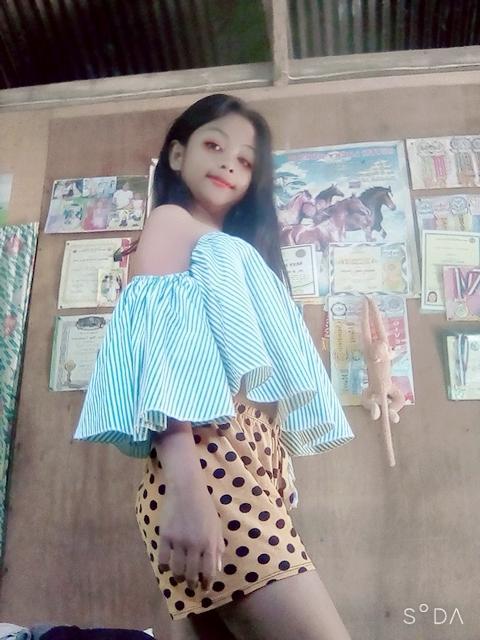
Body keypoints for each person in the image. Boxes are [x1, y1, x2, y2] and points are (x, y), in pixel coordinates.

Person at [74, 94, 355, 640]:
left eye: (245, 160)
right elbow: (162, 352)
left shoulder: (234, 247)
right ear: (178, 155)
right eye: (214, 145)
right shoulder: (171, 222)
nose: (229, 163)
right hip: (207, 462)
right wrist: (188, 491)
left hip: (244, 462)